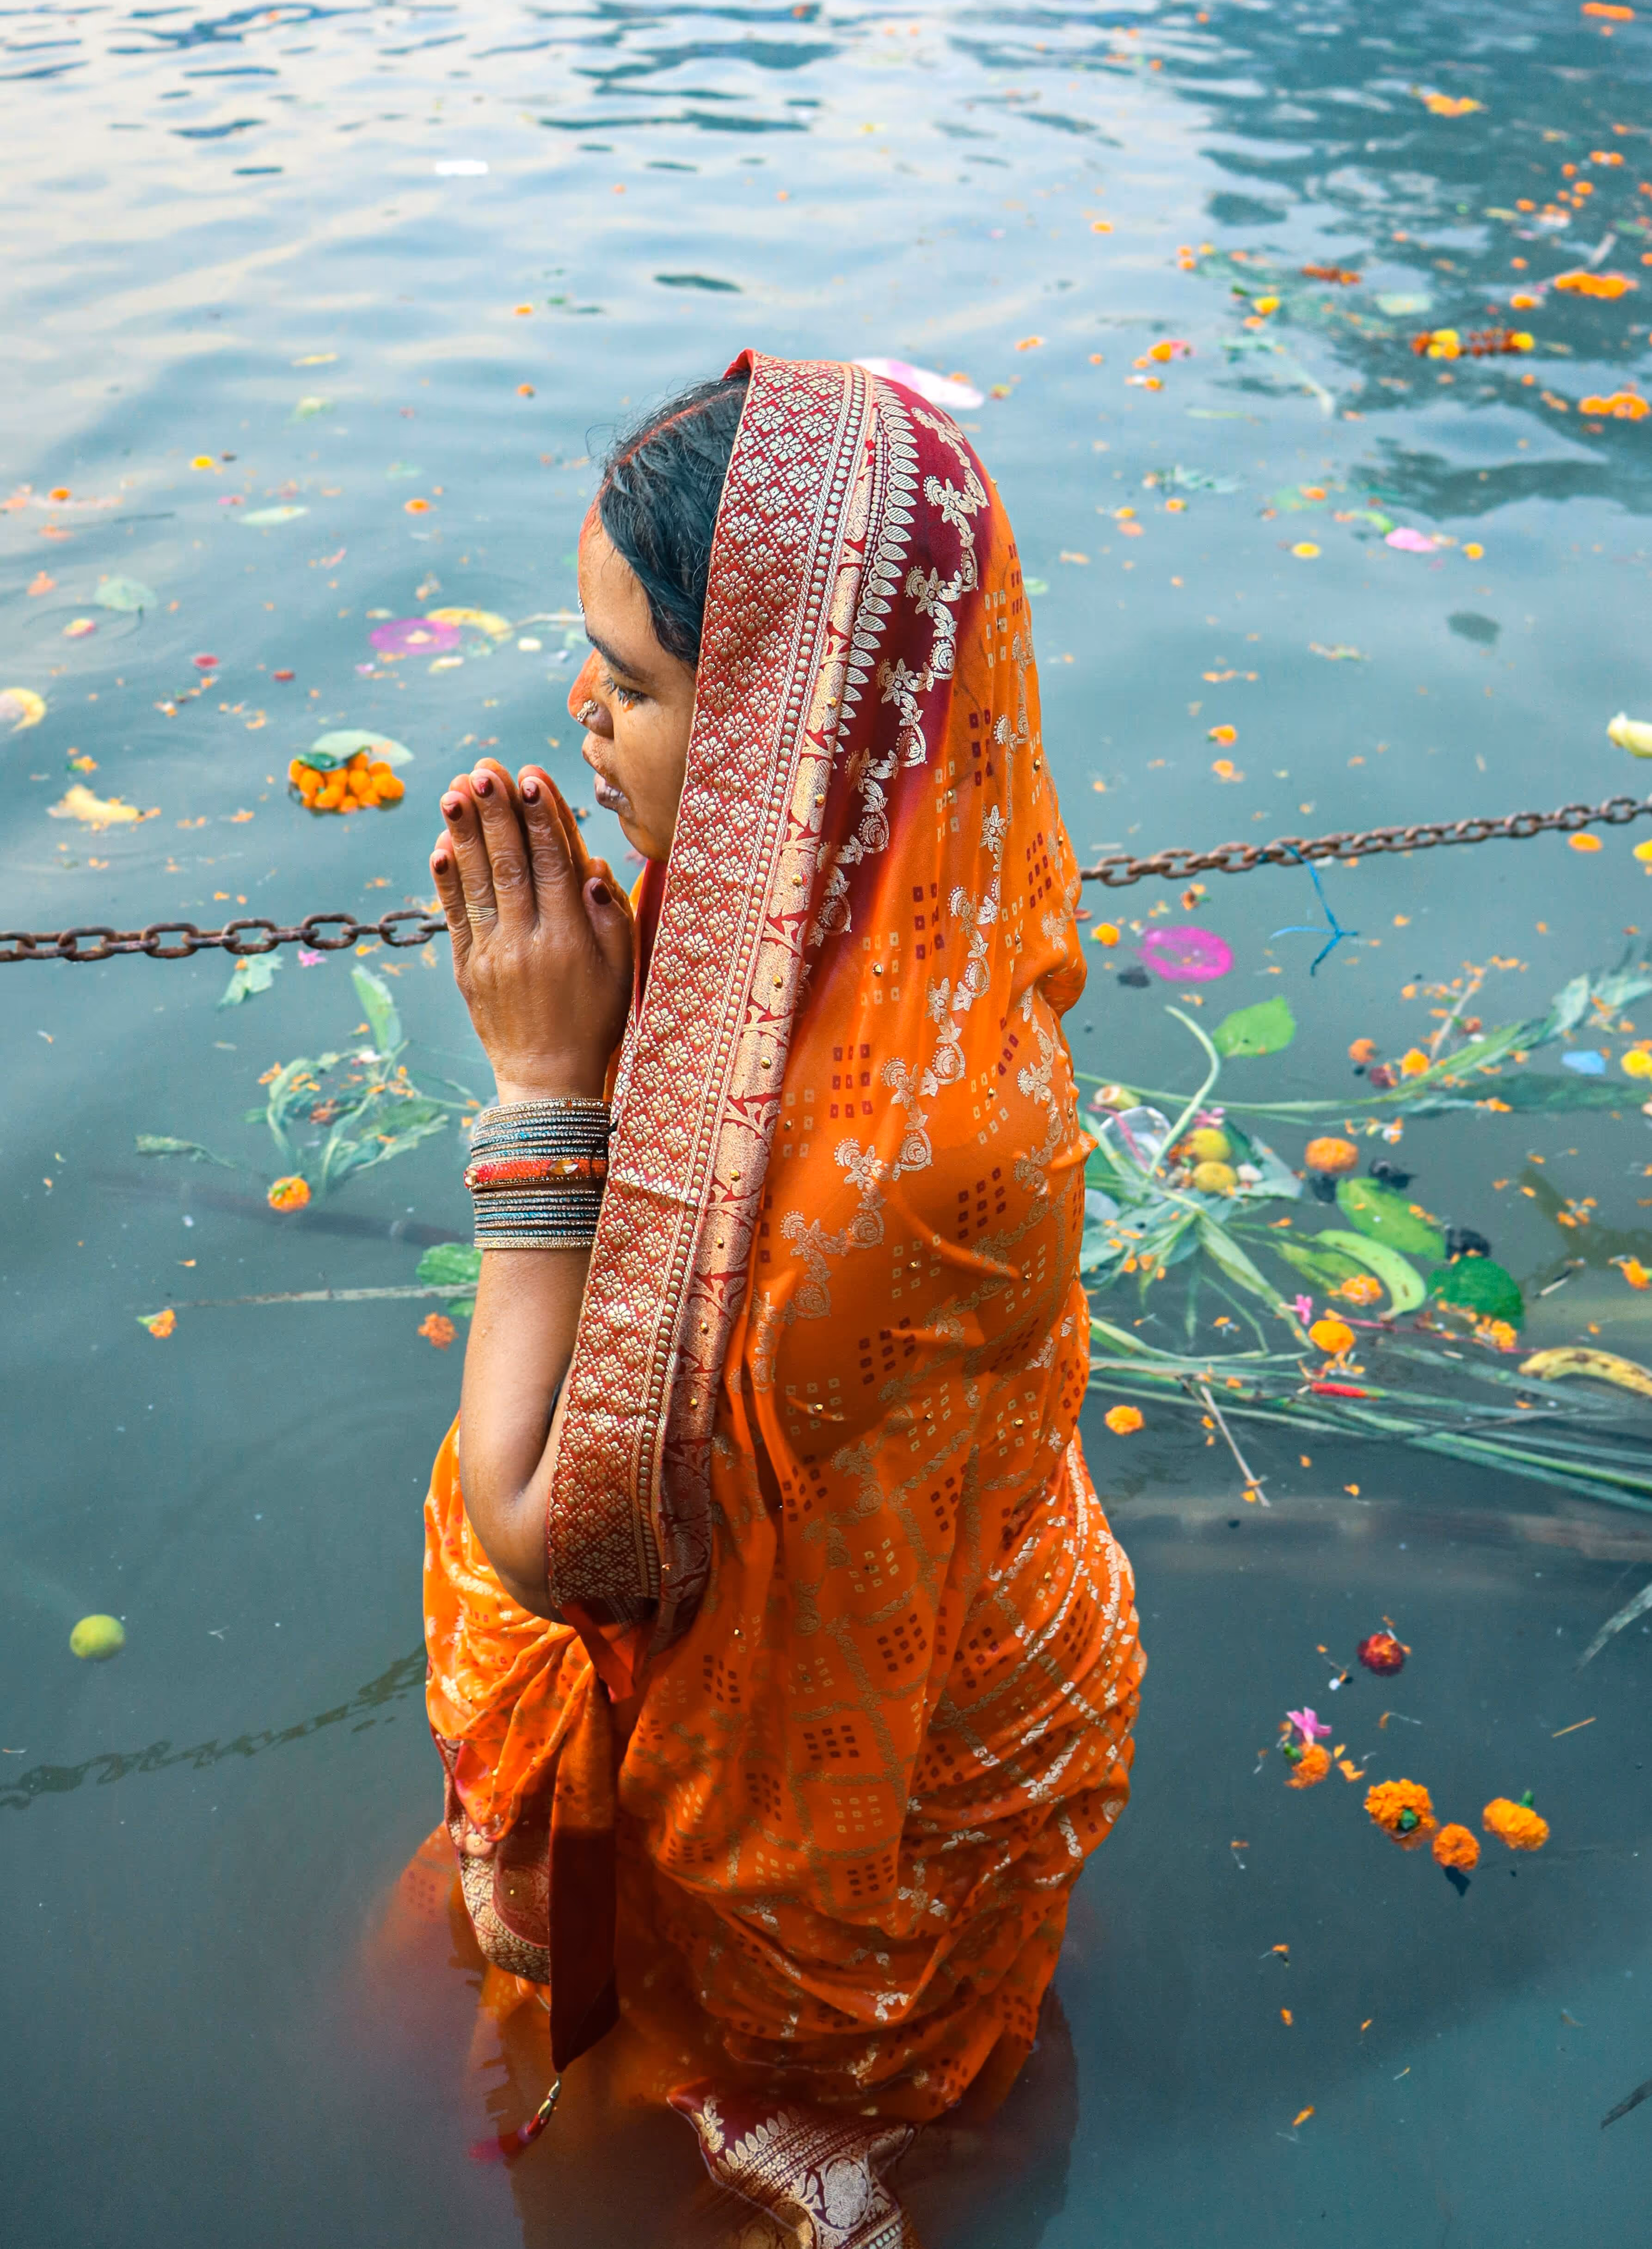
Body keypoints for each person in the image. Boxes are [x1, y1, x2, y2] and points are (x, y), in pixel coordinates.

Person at [418, 351, 1143, 2246]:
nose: (581, 711)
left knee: (723, 2143)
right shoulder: (879, 908)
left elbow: (551, 1536)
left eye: (640, 685)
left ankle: (786, 2120)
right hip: (925, 1632)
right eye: (589, 657)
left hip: (875, 1817)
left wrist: (544, 1097)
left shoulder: (904, 1184)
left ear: (781, 732)